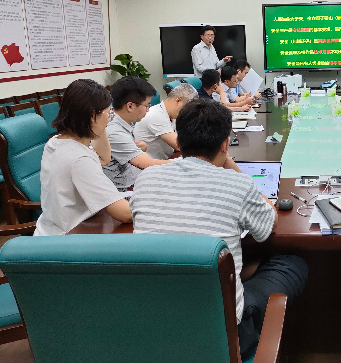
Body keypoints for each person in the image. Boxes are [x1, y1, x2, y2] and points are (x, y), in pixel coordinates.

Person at [130, 99, 308, 360]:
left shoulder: (146, 179)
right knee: (291, 264)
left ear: (178, 142)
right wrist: (235, 169)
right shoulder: (237, 184)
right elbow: (269, 224)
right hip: (223, 337)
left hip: (154, 331)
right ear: (225, 144)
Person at [35, 79, 132, 236]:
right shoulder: (79, 159)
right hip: (69, 237)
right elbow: (124, 214)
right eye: (109, 114)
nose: (110, 119)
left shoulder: (57, 141)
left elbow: (103, 158)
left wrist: (100, 123)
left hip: (53, 229)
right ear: (93, 115)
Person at [102, 77, 171, 191]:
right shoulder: (114, 131)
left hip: (133, 179)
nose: (148, 110)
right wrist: (186, 164)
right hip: (122, 191)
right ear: (130, 106)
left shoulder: (118, 119)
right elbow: (147, 164)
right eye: (147, 106)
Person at [133, 82, 197, 160]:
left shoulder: (170, 115)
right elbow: (180, 146)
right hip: (151, 164)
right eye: (186, 109)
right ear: (178, 101)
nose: (186, 113)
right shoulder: (156, 115)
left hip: (166, 159)